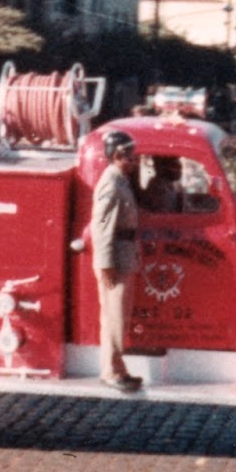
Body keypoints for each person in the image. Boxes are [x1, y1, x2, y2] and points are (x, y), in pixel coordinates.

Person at [91, 130, 142, 392]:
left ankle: (118, 367)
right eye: (129, 154)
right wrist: (104, 263)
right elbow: (101, 226)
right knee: (114, 317)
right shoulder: (111, 183)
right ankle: (110, 371)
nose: (134, 158)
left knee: (118, 316)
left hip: (124, 256)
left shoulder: (121, 180)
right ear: (117, 155)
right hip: (116, 260)